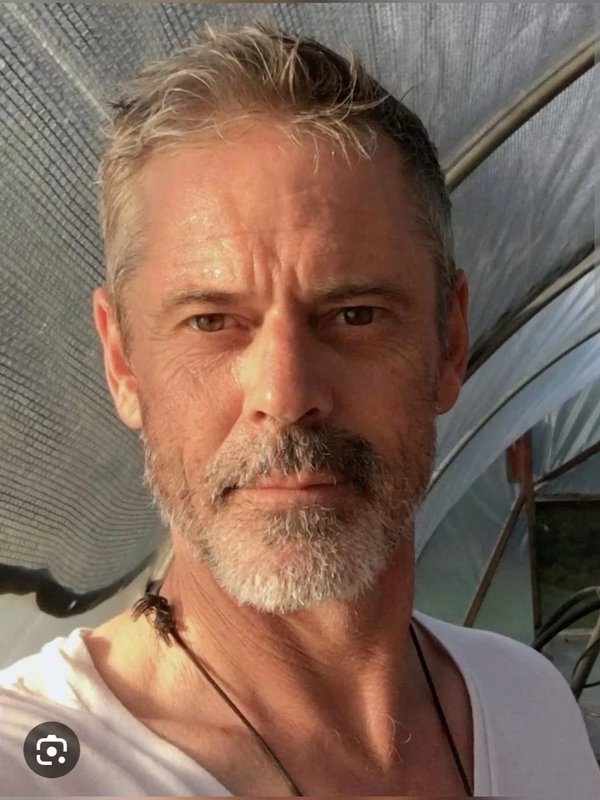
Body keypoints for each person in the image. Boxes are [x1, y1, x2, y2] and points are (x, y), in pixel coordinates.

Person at [0, 19, 598, 798]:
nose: (285, 395)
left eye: (354, 315)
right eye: (211, 321)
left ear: (450, 343)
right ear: (122, 361)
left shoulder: (529, 704)